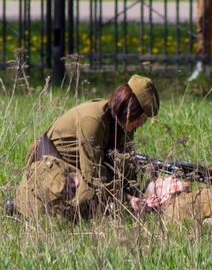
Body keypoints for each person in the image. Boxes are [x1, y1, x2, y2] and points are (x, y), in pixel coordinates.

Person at [13, 75, 160, 221]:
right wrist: (127, 200)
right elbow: (94, 174)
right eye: (141, 118)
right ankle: (19, 208)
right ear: (128, 108)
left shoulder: (121, 124)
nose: (141, 124)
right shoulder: (92, 120)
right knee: (88, 196)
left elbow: (120, 165)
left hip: (74, 168)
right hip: (51, 169)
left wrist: (139, 189)